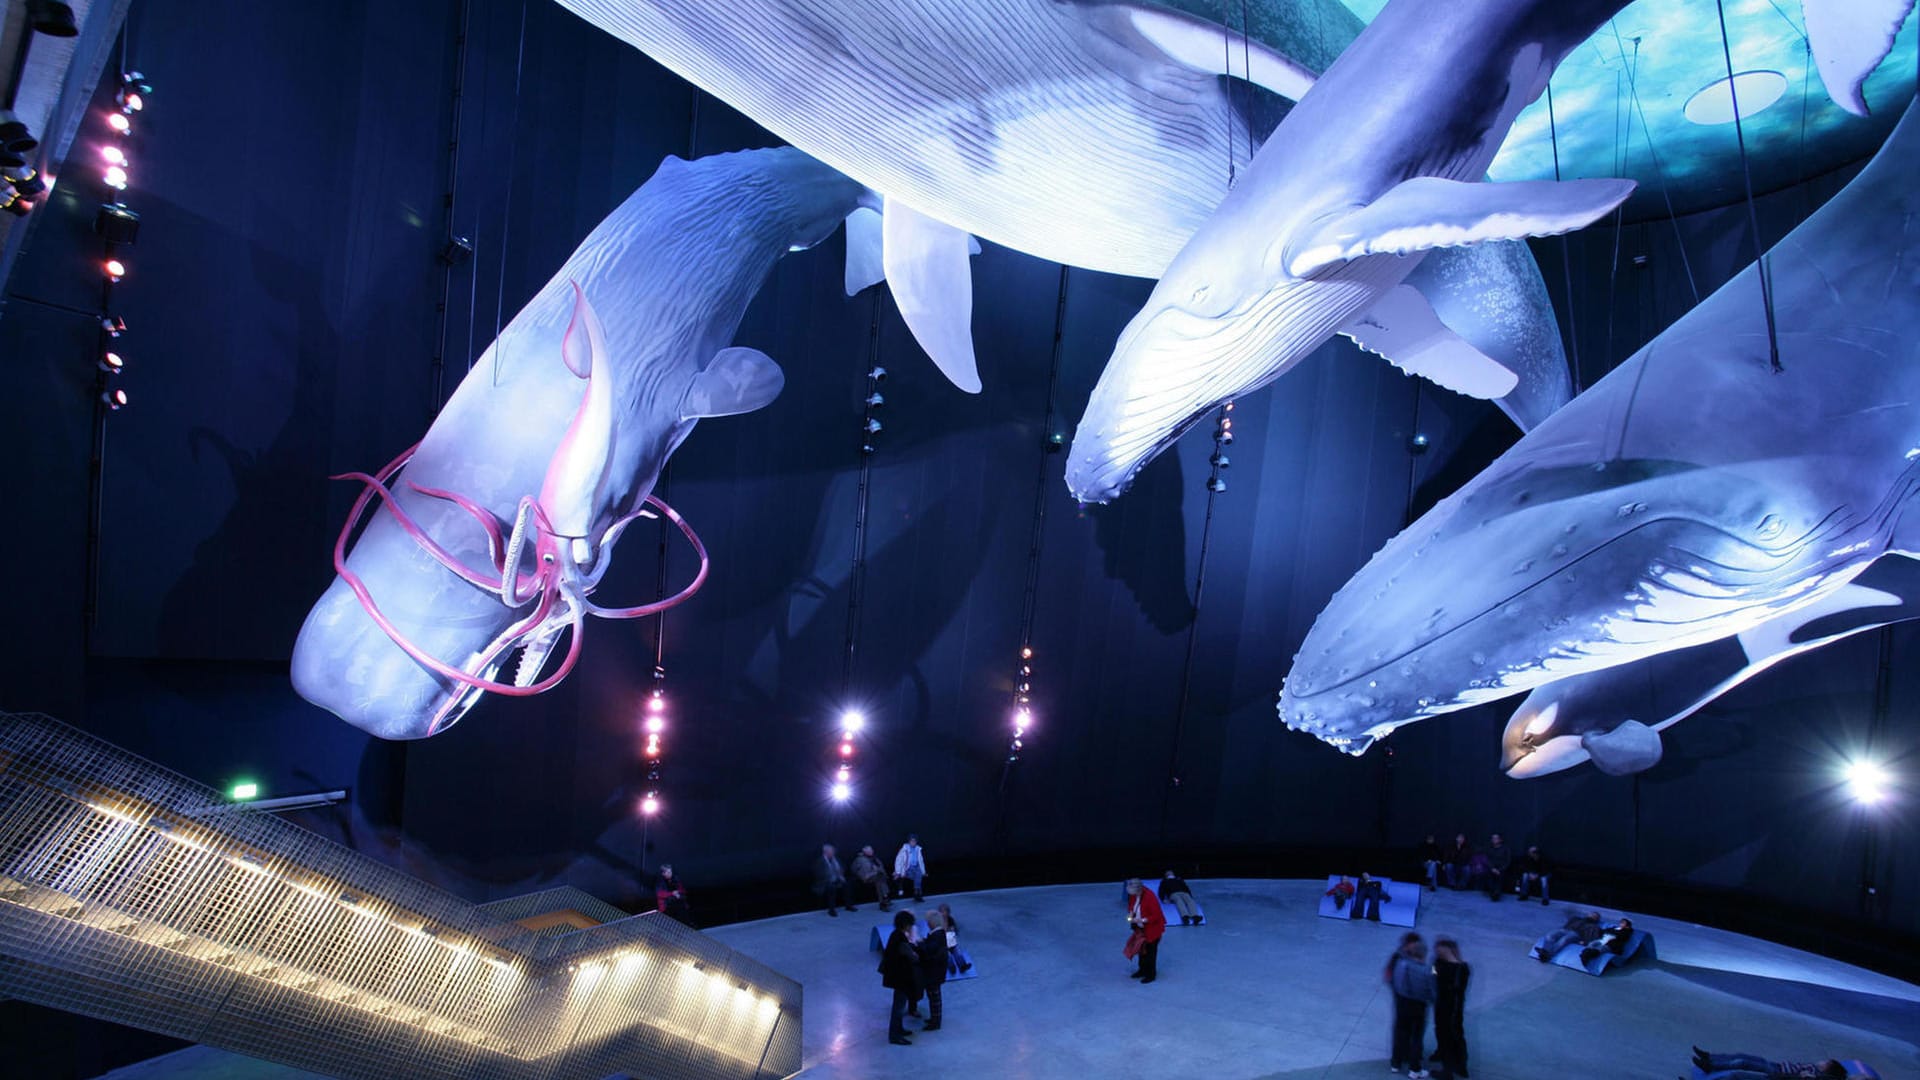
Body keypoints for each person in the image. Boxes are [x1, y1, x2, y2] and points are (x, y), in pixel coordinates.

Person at [1388, 935, 1435, 1077]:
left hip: (1402, 1003)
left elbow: (1395, 983)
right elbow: (1433, 989)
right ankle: (1415, 1069)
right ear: (1424, 954)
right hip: (1418, 1006)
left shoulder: (1402, 964)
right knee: (1416, 1037)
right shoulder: (1429, 970)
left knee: (1400, 1032)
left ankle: (1396, 1063)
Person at [1430, 937, 1470, 1079]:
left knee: (1452, 1037)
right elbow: (1433, 974)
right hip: (1441, 1005)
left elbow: (1454, 989)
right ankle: (1443, 1054)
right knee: (1440, 1031)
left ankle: (1450, 1070)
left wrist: (1438, 979)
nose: (1436, 952)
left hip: (1452, 1009)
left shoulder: (1461, 968)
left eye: (1439, 949)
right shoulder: (1438, 962)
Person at [878, 910, 919, 1045]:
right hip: (900, 978)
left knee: (899, 1005)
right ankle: (895, 1035)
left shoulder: (895, 935)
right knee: (898, 1007)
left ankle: (899, 1029)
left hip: (896, 977)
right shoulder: (900, 938)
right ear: (906, 925)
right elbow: (911, 956)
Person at [1690, 1048, 1849, 1079]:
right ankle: (1711, 1058)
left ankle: (1712, 1065)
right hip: (1777, 1066)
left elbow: (1802, 1076)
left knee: (1742, 1063)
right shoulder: (1816, 1070)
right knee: (1742, 1056)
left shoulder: (1819, 1075)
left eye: (1826, 1062)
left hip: (1778, 1072)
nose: (1822, 1061)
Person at [1123, 877, 1166, 984]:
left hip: (1152, 929)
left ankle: (1151, 975)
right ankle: (1142, 970)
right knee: (1141, 951)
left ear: (1138, 889)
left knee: (1150, 953)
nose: (1131, 895)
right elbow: (1131, 907)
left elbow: (1156, 915)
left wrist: (1142, 919)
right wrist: (1130, 915)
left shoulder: (1150, 897)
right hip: (1140, 929)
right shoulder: (1133, 896)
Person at [914, 909, 949, 1030]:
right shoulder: (939, 934)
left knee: (934, 998)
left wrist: (919, 942)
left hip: (934, 973)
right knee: (933, 997)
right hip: (936, 972)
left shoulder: (937, 936)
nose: (927, 923)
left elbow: (928, 950)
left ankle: (935, 1022)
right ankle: (935, 1018)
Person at [1533, 910, 1604, 959]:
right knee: (1550, 935)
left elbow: (1593, 939)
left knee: (1564, 939)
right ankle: (1545, 951)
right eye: (1592, 914)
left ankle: (1547, 954)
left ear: (1597, 919)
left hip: (1577, 934)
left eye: (1595, 916)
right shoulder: (1576, 918)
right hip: (1565, 930)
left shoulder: (1594, 926)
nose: (1592, 916)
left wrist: (1584, 942)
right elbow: (1565, 925)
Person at [812, 843, 850, 916]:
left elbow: (843, 868)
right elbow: (818, 874)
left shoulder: (837, 859)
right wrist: (830, 877)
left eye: (833, 851)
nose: (833, 853)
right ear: (825, 852)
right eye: (831, 851)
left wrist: (840, 875)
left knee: (847, 884)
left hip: (837, 879)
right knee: (831, 888)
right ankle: (831, 910)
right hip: (824, 882)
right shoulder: (820, 861)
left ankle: (848, 906)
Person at [851, 844, 891, 911]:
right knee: (880, 879)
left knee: (880, 881)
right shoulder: (860, 859)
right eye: (869, 850)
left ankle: (883, 902)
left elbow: (881, 867)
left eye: (871, 850)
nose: (871, 851)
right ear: (864, 851)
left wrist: (879, 871)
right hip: (867, 877)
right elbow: (855, 869)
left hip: (877, 876)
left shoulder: (875, 858)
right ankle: (885, 898)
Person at [938, 902, 973, 976]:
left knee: (958, 953)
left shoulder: (950, 919)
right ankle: (952, 967)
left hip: (951, 942)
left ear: (948, 912)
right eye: (941, 912)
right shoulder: (938, 921)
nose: (942, 913)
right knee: (948, 956)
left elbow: (954, 930)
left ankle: (962, 966)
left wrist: (952, 929)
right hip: (943, 944)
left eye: (944, 911)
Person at [893, 834, 929, 902]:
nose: (913, 842)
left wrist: (924, 871)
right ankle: (918, 894)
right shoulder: (904, 849)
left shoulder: (918, 849)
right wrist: (898, 872)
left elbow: (921, 861)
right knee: (918, 876)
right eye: (912, 841)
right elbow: (898, 861)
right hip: (907, 868)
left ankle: (917, 894)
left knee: (919, 874)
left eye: (914, 841)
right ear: (909, 842)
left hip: (916, 867)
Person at [1481, 833, 1512, 901]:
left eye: (1496, 838)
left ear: (1500, 840)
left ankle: (1497, 893)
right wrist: (1492, 868)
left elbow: (1508, 861)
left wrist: (1500, 870)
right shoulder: (1489, 848)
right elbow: (1487, 859)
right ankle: (1492, 893)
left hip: (1501, 869)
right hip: (1491, 868)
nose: (1494, 840)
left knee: (1500, 878)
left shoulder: (1506, 849)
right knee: (1488, 876)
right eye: (1493, 838)